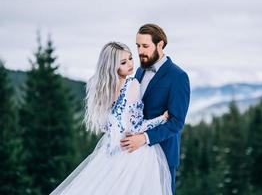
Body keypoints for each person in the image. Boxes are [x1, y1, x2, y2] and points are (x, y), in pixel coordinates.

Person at [50, 42, 172, 195]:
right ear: (112, 66)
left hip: (109, 152)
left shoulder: (103, 89)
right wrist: (162, 118)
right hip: (133, 152)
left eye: (130, 58)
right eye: (123, 62)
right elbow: (135, 128)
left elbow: (106, 126)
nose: (130, 64)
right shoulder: (132, 84)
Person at [120, 23, 191, 194]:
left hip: (163, 156)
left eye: (145, 46)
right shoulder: (138, 72)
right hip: (134, 155)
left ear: (160, 45)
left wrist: (144, 138)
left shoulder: (178, 77)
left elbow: (176, 122)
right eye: (138, 45)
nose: (140, 51)